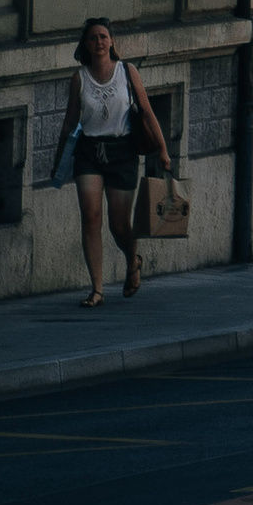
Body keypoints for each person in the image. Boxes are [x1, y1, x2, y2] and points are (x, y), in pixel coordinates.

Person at [66, 19, 171, 307]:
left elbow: (147, 113)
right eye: (93, 38)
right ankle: (97, 289)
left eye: (103, 37)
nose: (99, 42)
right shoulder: (80, 78)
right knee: (90, 217)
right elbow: (70, 122)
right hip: (89, 151)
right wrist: (60, 158)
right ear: (85, 44)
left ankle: (132, 260)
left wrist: (162, 150)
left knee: (119, 224)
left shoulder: (127, 72)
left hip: (122, 151)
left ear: (112, 42)